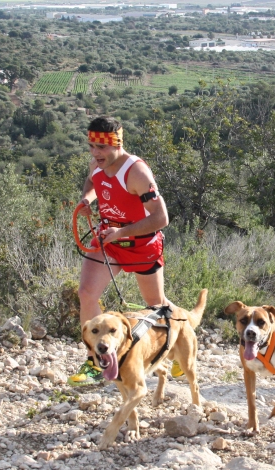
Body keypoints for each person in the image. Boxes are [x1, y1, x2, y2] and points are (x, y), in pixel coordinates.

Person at [68, 116, 178, 387]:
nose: (95, 153)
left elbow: (161, 218)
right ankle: (95, 361)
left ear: (117, 144)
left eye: (102, 147)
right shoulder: (98, 164)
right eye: (91, 146)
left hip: (141, 244)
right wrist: (87, 200)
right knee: (86, 294)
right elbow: (91, 181)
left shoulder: (136, 172)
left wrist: (121, 232)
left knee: (156, 306)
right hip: (109, 242)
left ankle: (178, 351)